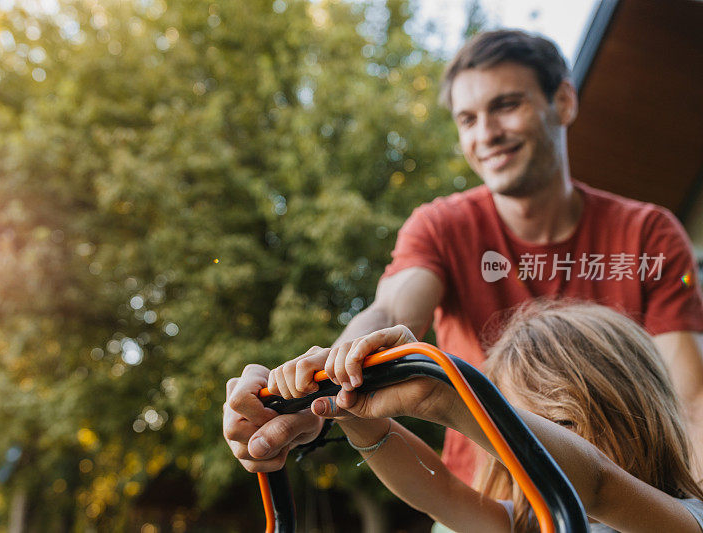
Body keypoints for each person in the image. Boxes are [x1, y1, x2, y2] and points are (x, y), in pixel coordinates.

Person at [223, 29, 703, 485]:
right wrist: (316, 390)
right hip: (480, 498)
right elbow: (390, 312)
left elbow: (690, 399)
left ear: (563, 101)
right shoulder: (442, 225)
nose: (487, 133)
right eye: (468, 119)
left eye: (506, 105)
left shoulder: (648, 233)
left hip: (624, 497)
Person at [266, 302, 703, 532]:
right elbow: (440, 494)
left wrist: (448, 399)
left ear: (636, 412)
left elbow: (596, 484)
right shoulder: (528, 524)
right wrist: (355, 415)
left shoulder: (684, 518)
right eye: (523, 423)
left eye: (560, 427)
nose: (525, 445)